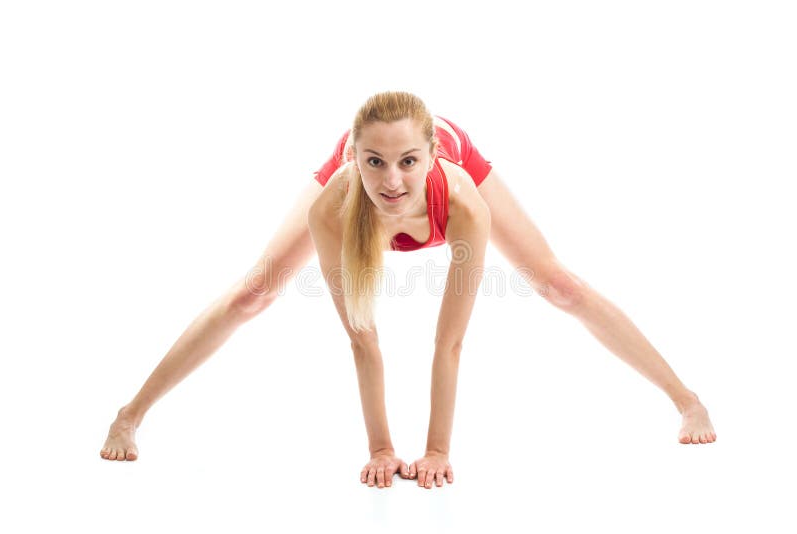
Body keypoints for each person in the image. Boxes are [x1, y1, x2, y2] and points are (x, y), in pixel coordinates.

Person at [100, 91, 716, 490]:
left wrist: (437, 451)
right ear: (353, 160)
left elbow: (448, 343)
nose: (391, 181)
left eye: (407, 163)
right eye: (374, 162)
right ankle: (129, 416)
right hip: (351, 203)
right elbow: (362, 339)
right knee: (252, 295)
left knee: (557, 284)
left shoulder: (464, 202)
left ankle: (687, 399)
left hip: (451, 181)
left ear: (429, 159)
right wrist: (384, 449)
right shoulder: (333, 209)